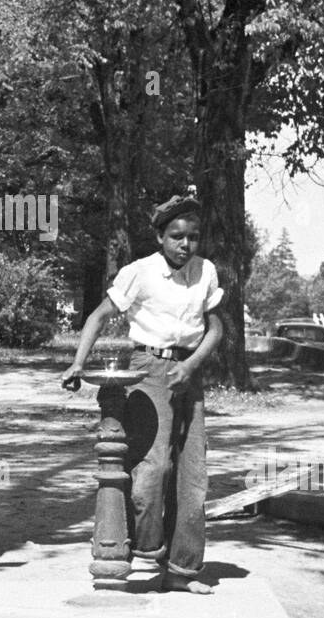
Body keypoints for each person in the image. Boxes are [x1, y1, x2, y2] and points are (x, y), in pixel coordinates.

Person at [61, 193, 224, 595]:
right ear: (160, 237)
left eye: (193, 237)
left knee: (192, 476)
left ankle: (181, 570)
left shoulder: (206, 272)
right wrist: (78, 362)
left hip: (190, 372)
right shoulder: (140, 272)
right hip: (147, 370)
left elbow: (216, 329)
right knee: (150, 472)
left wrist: (191, 366)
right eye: (176, 237)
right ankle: (143, 548)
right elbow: (99, 315)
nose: (185, 245)